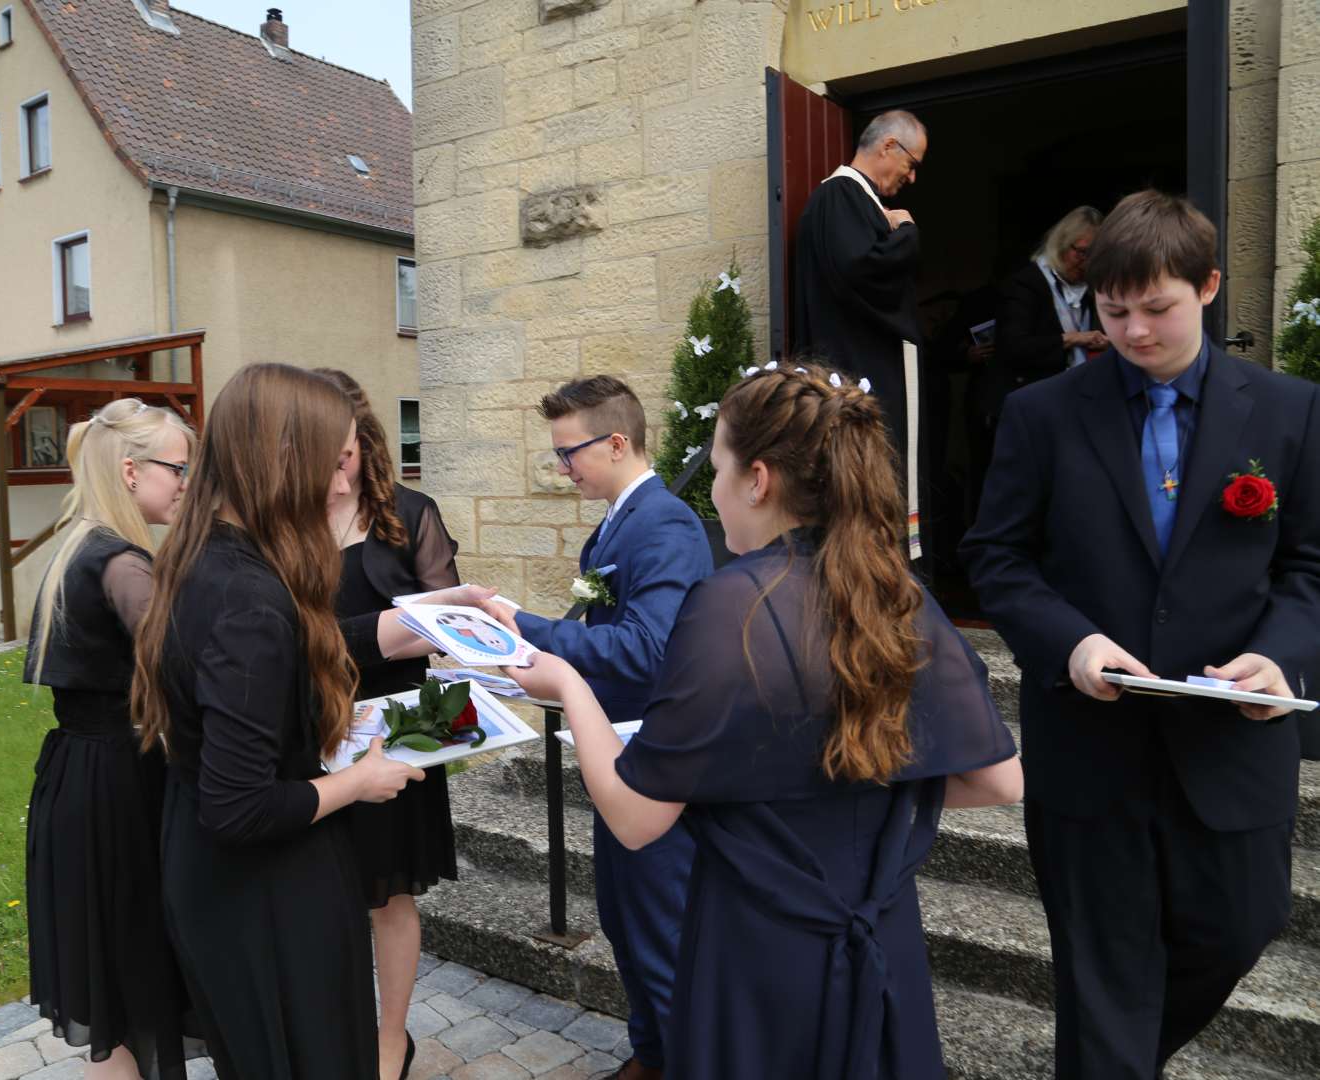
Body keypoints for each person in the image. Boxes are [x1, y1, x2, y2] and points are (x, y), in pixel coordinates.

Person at [510, 364, 1022, 1079]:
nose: (713, 494)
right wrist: (849, 786)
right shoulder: (896, 591)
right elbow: (999, 779)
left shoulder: (730, 605)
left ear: (757, 480)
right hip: (880, 928)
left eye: (717, 466)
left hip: (761, 935)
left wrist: (567, 682)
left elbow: (635, 819)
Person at [961, 190, 1320, 1078]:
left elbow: (1311, 566)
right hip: (1091, 746)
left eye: (1155, 308)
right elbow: (996, 558)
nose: (1133, 332)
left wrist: (1280, 655)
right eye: (1112, 312)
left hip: (1232, 746)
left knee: (1242, 926)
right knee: (1104, 971)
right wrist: (1071, 643)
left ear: (1207, 287)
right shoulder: (1043, 413)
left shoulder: (1289, 411)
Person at [130, 363, 487, 1080]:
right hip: (265, 896)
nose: (342, 486)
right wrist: (360, 782)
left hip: (225, 886)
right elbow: (239, 805)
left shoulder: (210, 557)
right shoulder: (246, 596)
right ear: (283, 462)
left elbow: (296, 648)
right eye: (333, 463)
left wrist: (416, 621)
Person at [484, 376, 712, 1080]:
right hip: (615, 751)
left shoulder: (665, 523)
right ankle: (650, 1053)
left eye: (569, 451)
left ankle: (681, 1062)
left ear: (617, 443)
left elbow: (648, 647)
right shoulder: (618, 519)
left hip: (656, 759)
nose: (562, 468)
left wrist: (526, 630)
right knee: (622, 918)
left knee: (661, 932)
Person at [22, 398, 197, 1080]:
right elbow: (187, 670)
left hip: (78, 776)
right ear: (131, 470)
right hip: (118, 787)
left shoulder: (78, 541)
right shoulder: (121, 562)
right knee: (136, 974)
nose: (187, 481)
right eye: (178, 468)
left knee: (117, 991)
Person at [318, 368, 463, 1080]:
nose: (334, 470)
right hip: (313, 726)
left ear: (362, 438)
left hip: (399, 728)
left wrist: (441, 635)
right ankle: (334, 1030)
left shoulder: (410, 512)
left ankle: (390, 1040)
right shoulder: (287, 519)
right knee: (322, 892)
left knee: (389, 894)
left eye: (342, 453)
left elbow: (449, 630)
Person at [792, 109, 929, 560]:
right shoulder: (842, 196)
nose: (910, 177)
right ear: (888, 145)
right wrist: (906, 233)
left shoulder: (854, 200)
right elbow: (863, 271)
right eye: (912, 163)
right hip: (860, 369)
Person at [993, 205, 1109, 401]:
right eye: (1082, 252)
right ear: (1062, 244)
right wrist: (1074, 338)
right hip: (1032, 399)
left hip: (1078, 396)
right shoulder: (1026, 283)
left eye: (1094, 256)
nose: (1087, 263)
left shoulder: (1093, 289)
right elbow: (1013, 347)